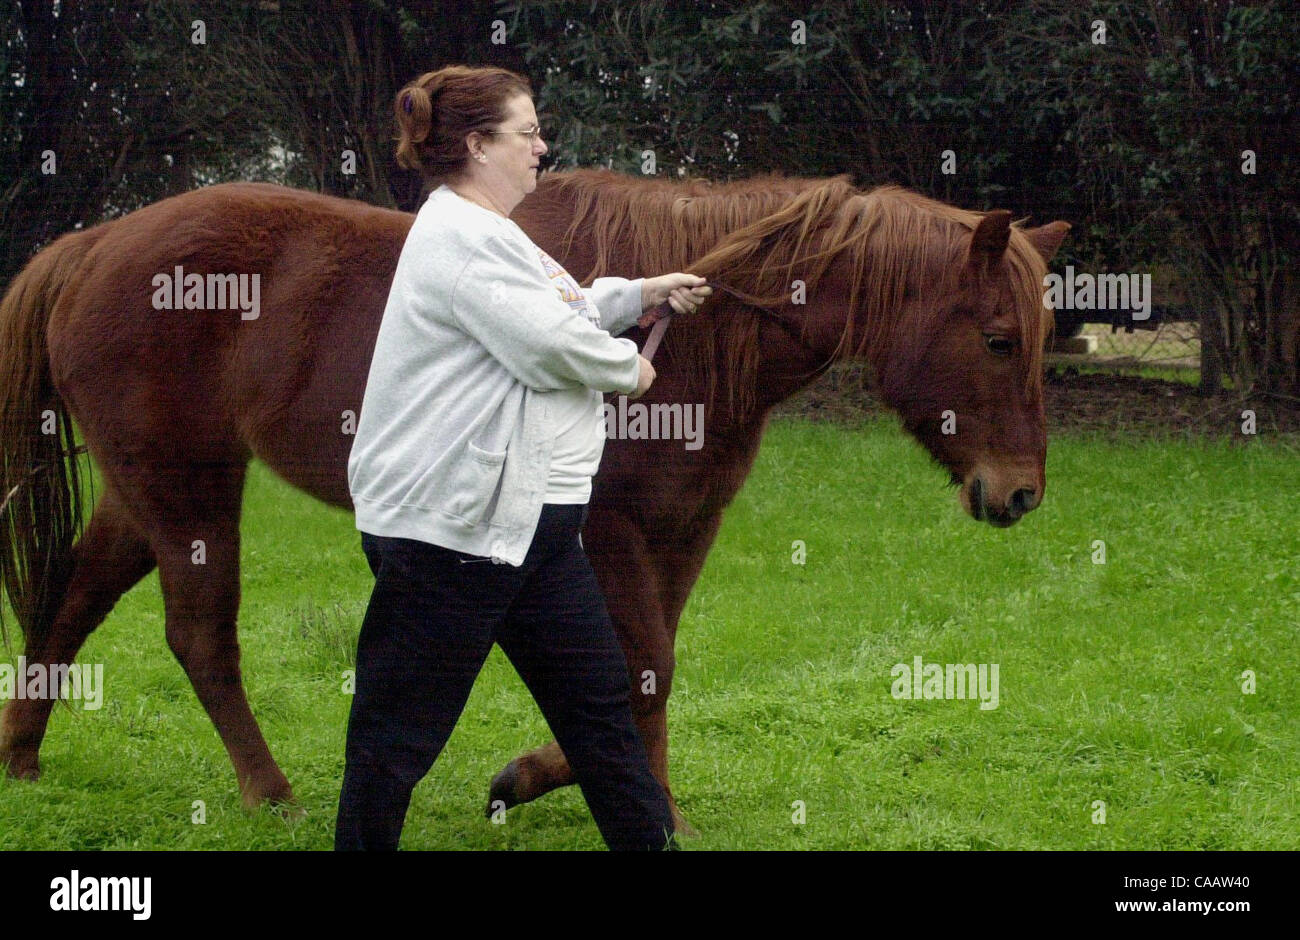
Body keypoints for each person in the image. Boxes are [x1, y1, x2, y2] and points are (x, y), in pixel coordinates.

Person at [336, 64, 711, 851]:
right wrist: (628, 370)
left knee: (601, 711)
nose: (542, 147)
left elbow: (558, 304)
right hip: (453, 536)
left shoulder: (490, 232)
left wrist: (638, 293)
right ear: (477, 144)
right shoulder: (458, 236)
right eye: (528, 132)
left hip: (532, 533)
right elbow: (544, 344)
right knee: (396, 738)